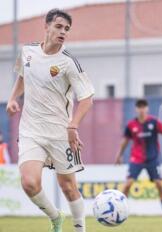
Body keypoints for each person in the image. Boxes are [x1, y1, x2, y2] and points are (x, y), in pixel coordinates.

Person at [6, 9, 94, 232]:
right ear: (45, 27)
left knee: (69, 187)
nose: (63, 32)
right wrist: (12, 98)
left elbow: (87, 99)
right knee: (29, 183)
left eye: (66, 29)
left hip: (60, 133)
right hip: (31, 131)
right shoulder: (27, 52)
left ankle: (79, 228)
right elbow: (23, 75)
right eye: (58, 26)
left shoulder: (69, 62)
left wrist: (73, 125)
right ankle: (55, 217)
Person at [115, 98, 162, 224]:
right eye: (139, 107)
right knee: (127, 185)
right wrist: (119, 155)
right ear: (136, 109)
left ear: (147, 108)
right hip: (136, 159)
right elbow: (125, 142)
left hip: (153, 159)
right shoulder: (131, 125)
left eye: (143, 107)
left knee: (160, 185)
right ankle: (119, 213)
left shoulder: (154, 122)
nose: (141, 109)